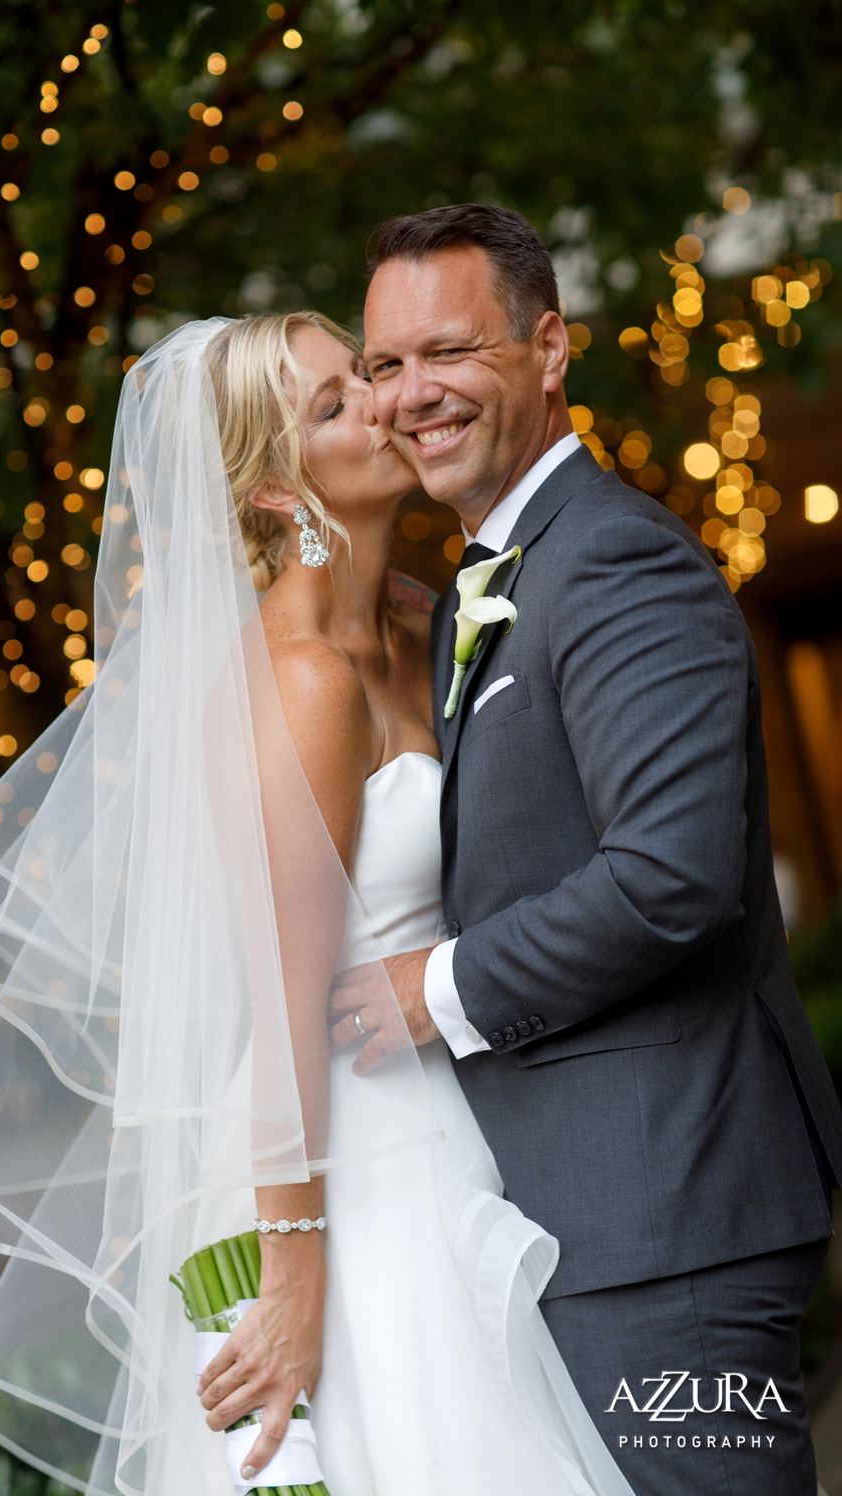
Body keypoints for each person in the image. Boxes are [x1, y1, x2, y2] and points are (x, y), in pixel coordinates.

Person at [0, 311, 634, 1496]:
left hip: (459, 1096)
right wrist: (293, 1274)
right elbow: (278, 1003)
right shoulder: (301, 678)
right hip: (351, 1154)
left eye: (362, 376)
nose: (384, 403)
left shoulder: (425, 617)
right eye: (335, 404)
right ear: (268, 490)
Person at [341, 203, 842, 1496]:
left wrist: (430, 990)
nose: (411, 396)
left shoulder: (615, 561)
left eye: (447, 350)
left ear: (549, 348)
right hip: (583, 1219)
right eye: (383, 366)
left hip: (668, 1224)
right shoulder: (487, 582)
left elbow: (668, 876)